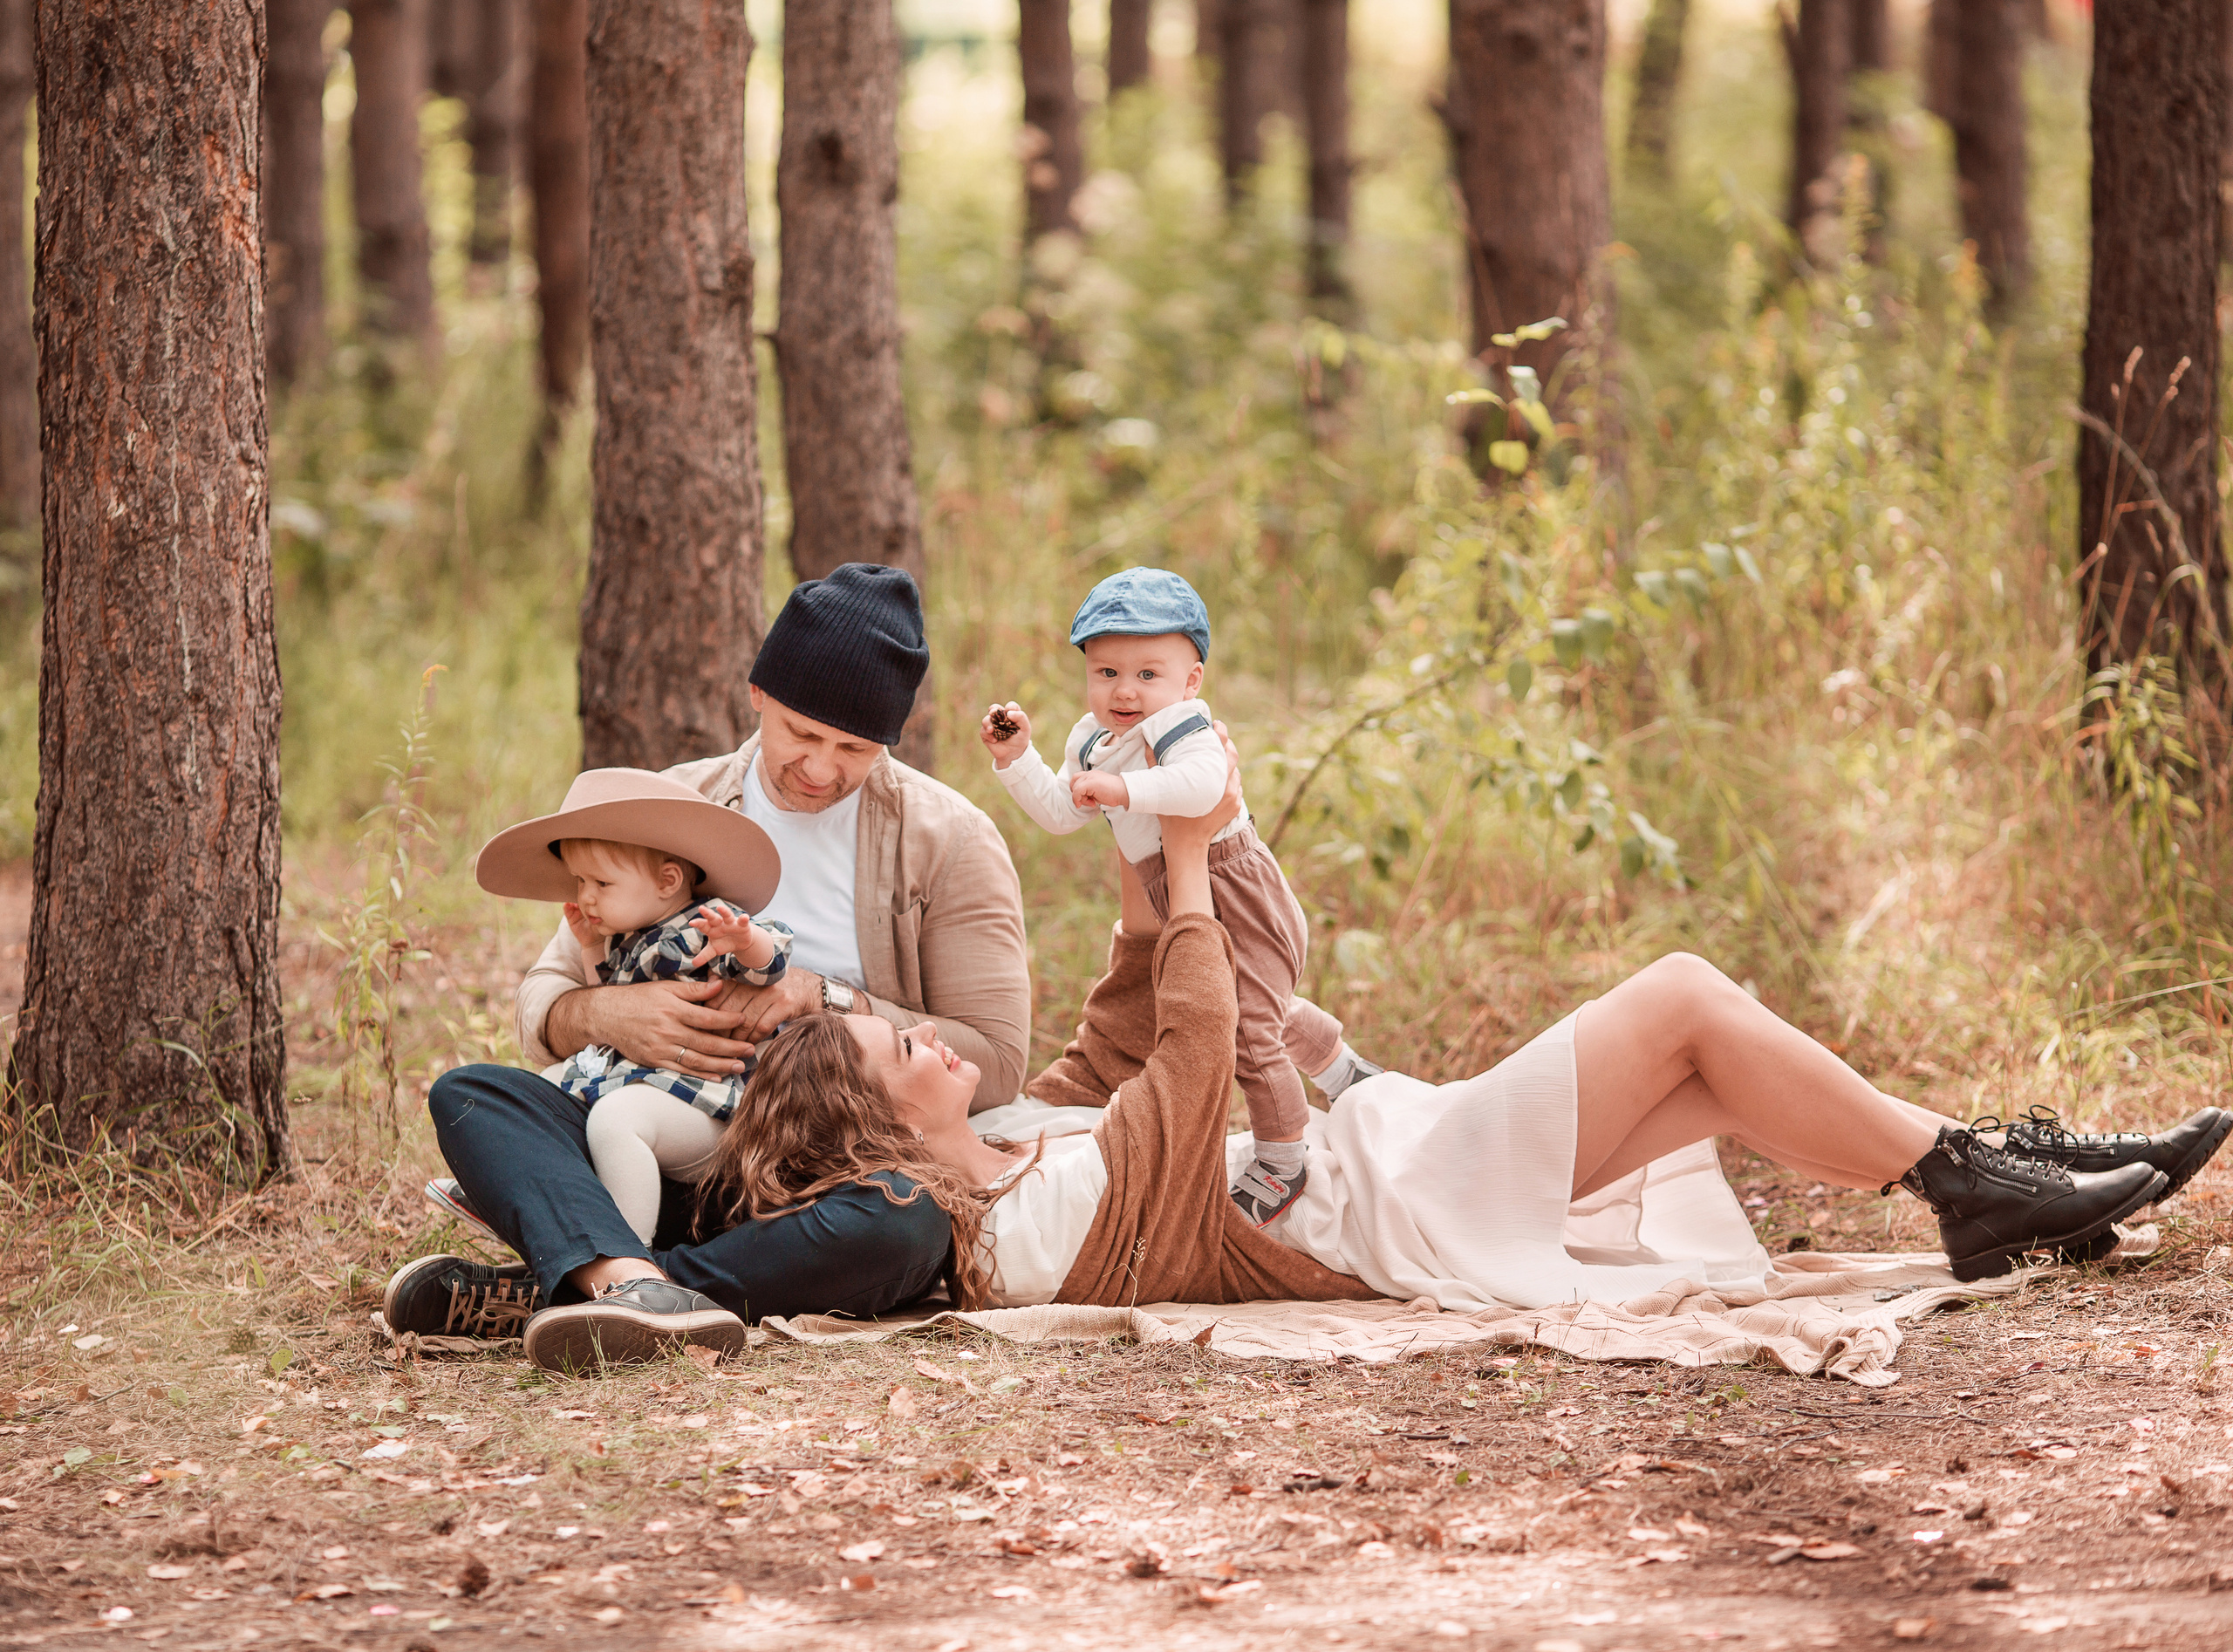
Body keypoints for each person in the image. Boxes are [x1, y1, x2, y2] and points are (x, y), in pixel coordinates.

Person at [693, 735, 2231, 1316]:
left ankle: (2003, 1176)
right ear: (883, 1129)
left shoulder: (1019, 1141)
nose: (936, 1041)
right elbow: (1183, 1064)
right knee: (1685, 994)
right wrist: (1187, 858)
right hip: (1396, 1202)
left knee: (1710, 1072)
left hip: (1392, 1151)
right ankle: (1985, 1178)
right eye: (905, 1055)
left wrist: (1131, 833)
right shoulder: (1011, 1236)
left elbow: (1120, 1030)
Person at [385, 563, 1025, 1369]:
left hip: (818, 1189)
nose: (821, 768)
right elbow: (544, 1002)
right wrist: (611, 1014)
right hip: (656, 1151)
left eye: (854, 748)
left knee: (908, 1221)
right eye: (802, 734)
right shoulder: (670, 809)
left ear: (889, 741)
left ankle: (597, 1282)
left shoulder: (949, 841)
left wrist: (821, 997)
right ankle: (629, 1284)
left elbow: (999, 1059)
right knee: (472, 1096)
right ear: (758, 693)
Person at [980, 567, 1374, 1229]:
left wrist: (1124, 792)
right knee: (1250, 1004)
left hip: (1236, 886)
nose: (1125, 690)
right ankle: (1344, 1073)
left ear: (1190, 681)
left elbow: (1201, 787)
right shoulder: (1092, 740)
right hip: (1178, 895)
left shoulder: (1181, 725)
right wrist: (1017, 760)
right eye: (1106, 672)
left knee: (1246, 1030)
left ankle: (1284, 1157)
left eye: (1147, 674)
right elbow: (1062, 811)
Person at [473, 767, 796, 1245]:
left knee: (615, 1121)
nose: (585, 896)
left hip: (706, 1104)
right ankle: (507, 1191)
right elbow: (606, 996)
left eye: (601, 883)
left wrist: (745, 942)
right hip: (642, 1082)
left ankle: (629, 1257)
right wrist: (589, 949)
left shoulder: (704, 927)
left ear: (668, 881)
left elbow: (772, 965)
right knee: (541, 1089)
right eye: (580, 881)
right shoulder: (627, 939)